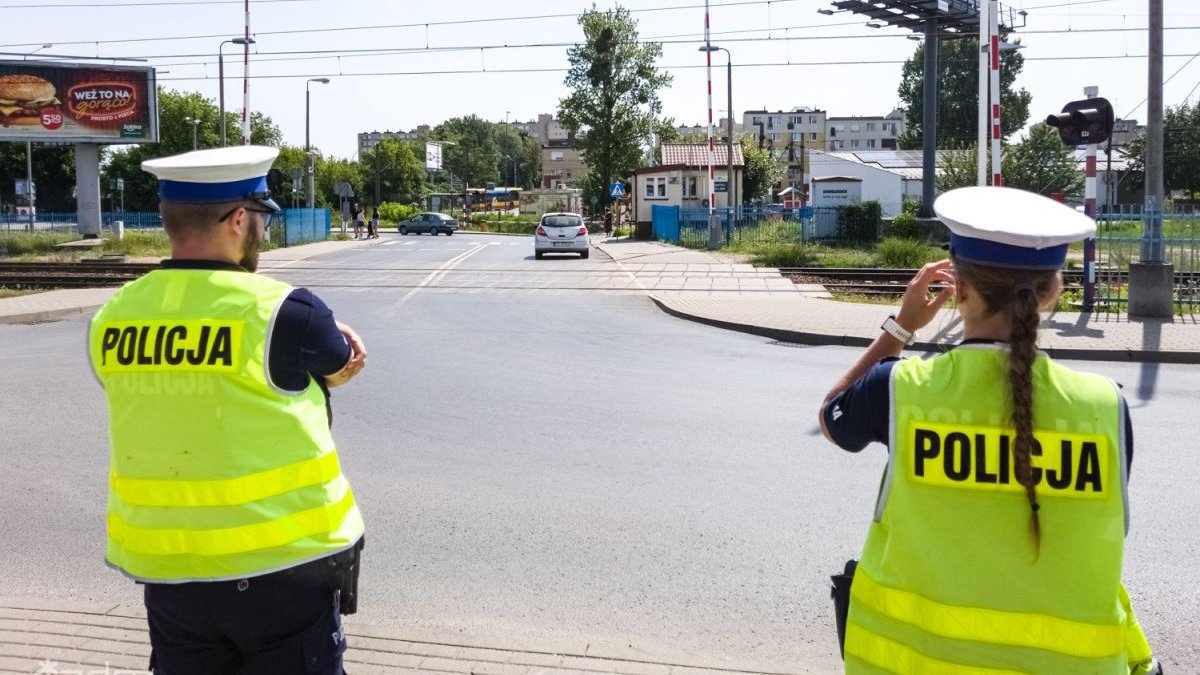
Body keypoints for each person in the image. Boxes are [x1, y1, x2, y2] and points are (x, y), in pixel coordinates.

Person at [818, 186, 1160, 675]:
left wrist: (898, 330)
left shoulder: (900, 389)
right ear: (1053, 291)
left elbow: (833, 415)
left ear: (957, 288)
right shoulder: (1106, 407)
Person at [88, 146, 367, 675]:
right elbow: (338, 362)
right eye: (261, 217)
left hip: (170, 574)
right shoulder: (284, 310)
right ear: (240, 218)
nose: (261, 229)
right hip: (282, 571)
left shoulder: (111, 317)